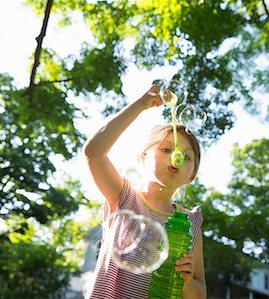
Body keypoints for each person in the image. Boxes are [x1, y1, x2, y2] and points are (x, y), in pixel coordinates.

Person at [83, 84, 207, 299]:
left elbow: (200, 293)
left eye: (186, 156)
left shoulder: (190, 221)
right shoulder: (124, 197)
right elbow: (94, 153)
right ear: (143, 158)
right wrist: (140, 105)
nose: (175, 157)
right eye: (166, 149)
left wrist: (187, 281)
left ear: (191, 176)